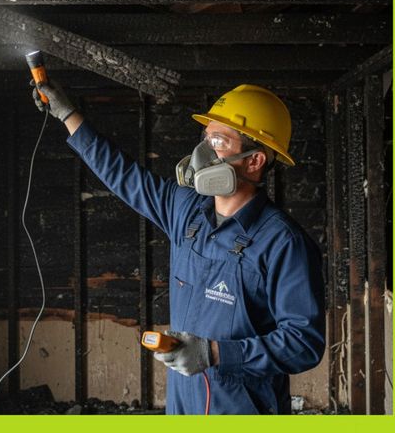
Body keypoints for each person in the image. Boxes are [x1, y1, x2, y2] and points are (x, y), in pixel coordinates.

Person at [31, 80, 325, 415]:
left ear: (255, 160)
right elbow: (123, 175)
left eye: (219, 141)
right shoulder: (186, 212)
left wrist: (215, 353)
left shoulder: (284, 243)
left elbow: (304, 343)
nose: (204, 152)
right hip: (183, 405)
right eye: (206, 138)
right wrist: (67, 114)